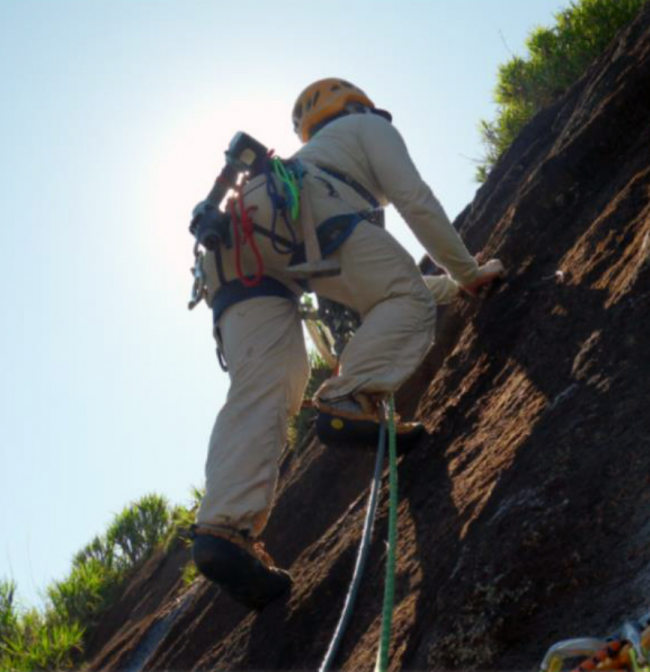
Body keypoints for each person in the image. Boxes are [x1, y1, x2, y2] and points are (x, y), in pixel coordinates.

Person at [190, 78, 505, 609]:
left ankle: (223, 532)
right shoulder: (365, 129)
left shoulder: (300, 160)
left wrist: (453, 284)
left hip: (234, 239)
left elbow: (372, 286)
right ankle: (348, 398)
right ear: (357, 106)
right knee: (407, 301)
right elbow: (414, 200)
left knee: (268, 384)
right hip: (298, 217)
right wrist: (468, 270)